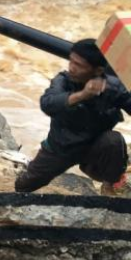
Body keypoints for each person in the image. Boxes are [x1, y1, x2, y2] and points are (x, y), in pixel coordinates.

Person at [15, 39, 131, 196]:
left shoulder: (113, 87)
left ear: (97, 70)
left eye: (79, 65)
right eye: (71, 61)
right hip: (61, 148)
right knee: (23, 186)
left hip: (94, 148)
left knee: (114, 140)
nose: (72, 68)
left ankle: (109, 187)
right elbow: (48, 103)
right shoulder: (63, 80)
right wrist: (82, 95)